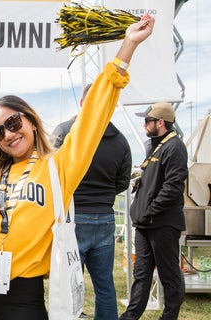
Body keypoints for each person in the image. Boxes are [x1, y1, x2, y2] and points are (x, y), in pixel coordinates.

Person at [0, 15, 155, 320]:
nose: (9, 134)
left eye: (13, 123)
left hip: (24, 297)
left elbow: (92, 117)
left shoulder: (58, 168)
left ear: (31, 121)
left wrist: (127, 46)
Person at [53, 83, 132, 320]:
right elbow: (123, 182)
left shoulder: (65, 130)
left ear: (82, 103)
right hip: (105, 217)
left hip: (73, 217)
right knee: (105, 285)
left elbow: (53, 173)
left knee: (68, 287)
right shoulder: (120, 141)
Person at [119, 102, 187, 320]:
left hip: (163, 223)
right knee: (141, 274)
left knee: (169, 274)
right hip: (145, 224)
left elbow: (174, 186)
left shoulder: (174, 146)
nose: (144, 124)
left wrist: (150, 210)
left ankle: (169, 316)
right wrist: (139, 211)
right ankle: (131, 316)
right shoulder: (154, 146)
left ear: (160, 122)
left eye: (147, 120)